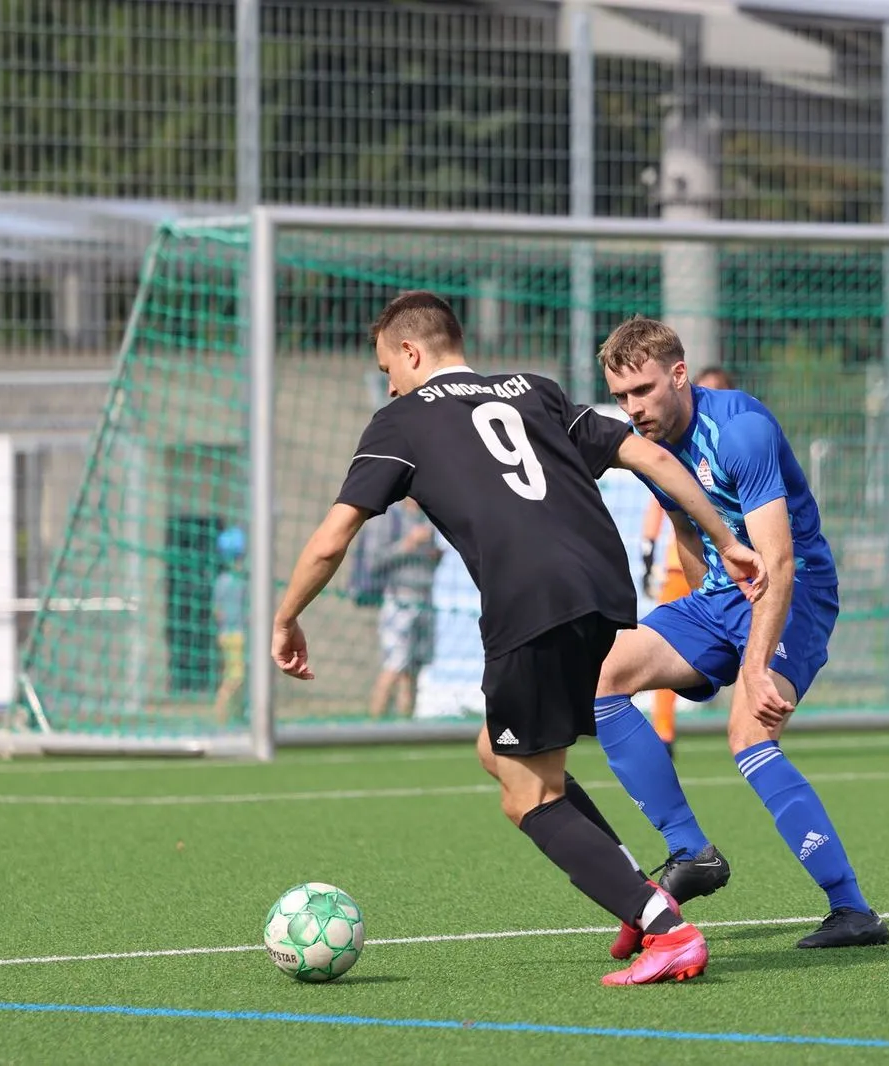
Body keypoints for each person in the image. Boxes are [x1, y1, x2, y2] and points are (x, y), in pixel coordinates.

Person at [270, 291, 769, 986]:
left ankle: (665, 928)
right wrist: (726, 541)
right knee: (497, 750)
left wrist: (286, 617)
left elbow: (332, 539)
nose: (388, 386)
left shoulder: (402, 421)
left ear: (412, 353)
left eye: (388, 368)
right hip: (604, 592)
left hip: (532, 603)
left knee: (526, 795)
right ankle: (634, 894)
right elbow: (653, 461)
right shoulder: (536, 390)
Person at [592, 315, 889, 955]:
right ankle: (690, 851)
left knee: (748, 733)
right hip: (725, 595)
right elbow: (687, 527)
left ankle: (852, 909)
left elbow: (778, 561)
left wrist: (751, 668)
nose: (632, 408)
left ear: (679, 374)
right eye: (620, 396)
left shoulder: (740, 430)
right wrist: (705, 610)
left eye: (643, 390)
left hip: (797, 592)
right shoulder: (648, 448)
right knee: (601, 673)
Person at [637, 365, 737, 752]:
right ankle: (664, 732)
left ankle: (751, 722)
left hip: (730, 568)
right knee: (667, 644)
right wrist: (648, 549)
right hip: (681, 567)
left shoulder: (732, 441)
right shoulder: (674, 447)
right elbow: (660, 503)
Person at [366, 498, 441, 719]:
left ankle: (405, 727)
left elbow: (429, 564)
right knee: (394, 665)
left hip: (425, 598)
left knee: (413, 669)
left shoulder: (429, 518)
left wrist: (435, 556)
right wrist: (408, 543)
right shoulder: (389, 517)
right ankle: (373, 725)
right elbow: (374, 561)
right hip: (399, 597)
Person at [211, 526, 248, 724]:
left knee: (236, 675)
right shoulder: (239, 582)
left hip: (225, 634)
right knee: (236, 677)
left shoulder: (220, 581)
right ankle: (220, 713)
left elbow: (217, 611)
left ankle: (237, 714)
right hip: (236, 634)